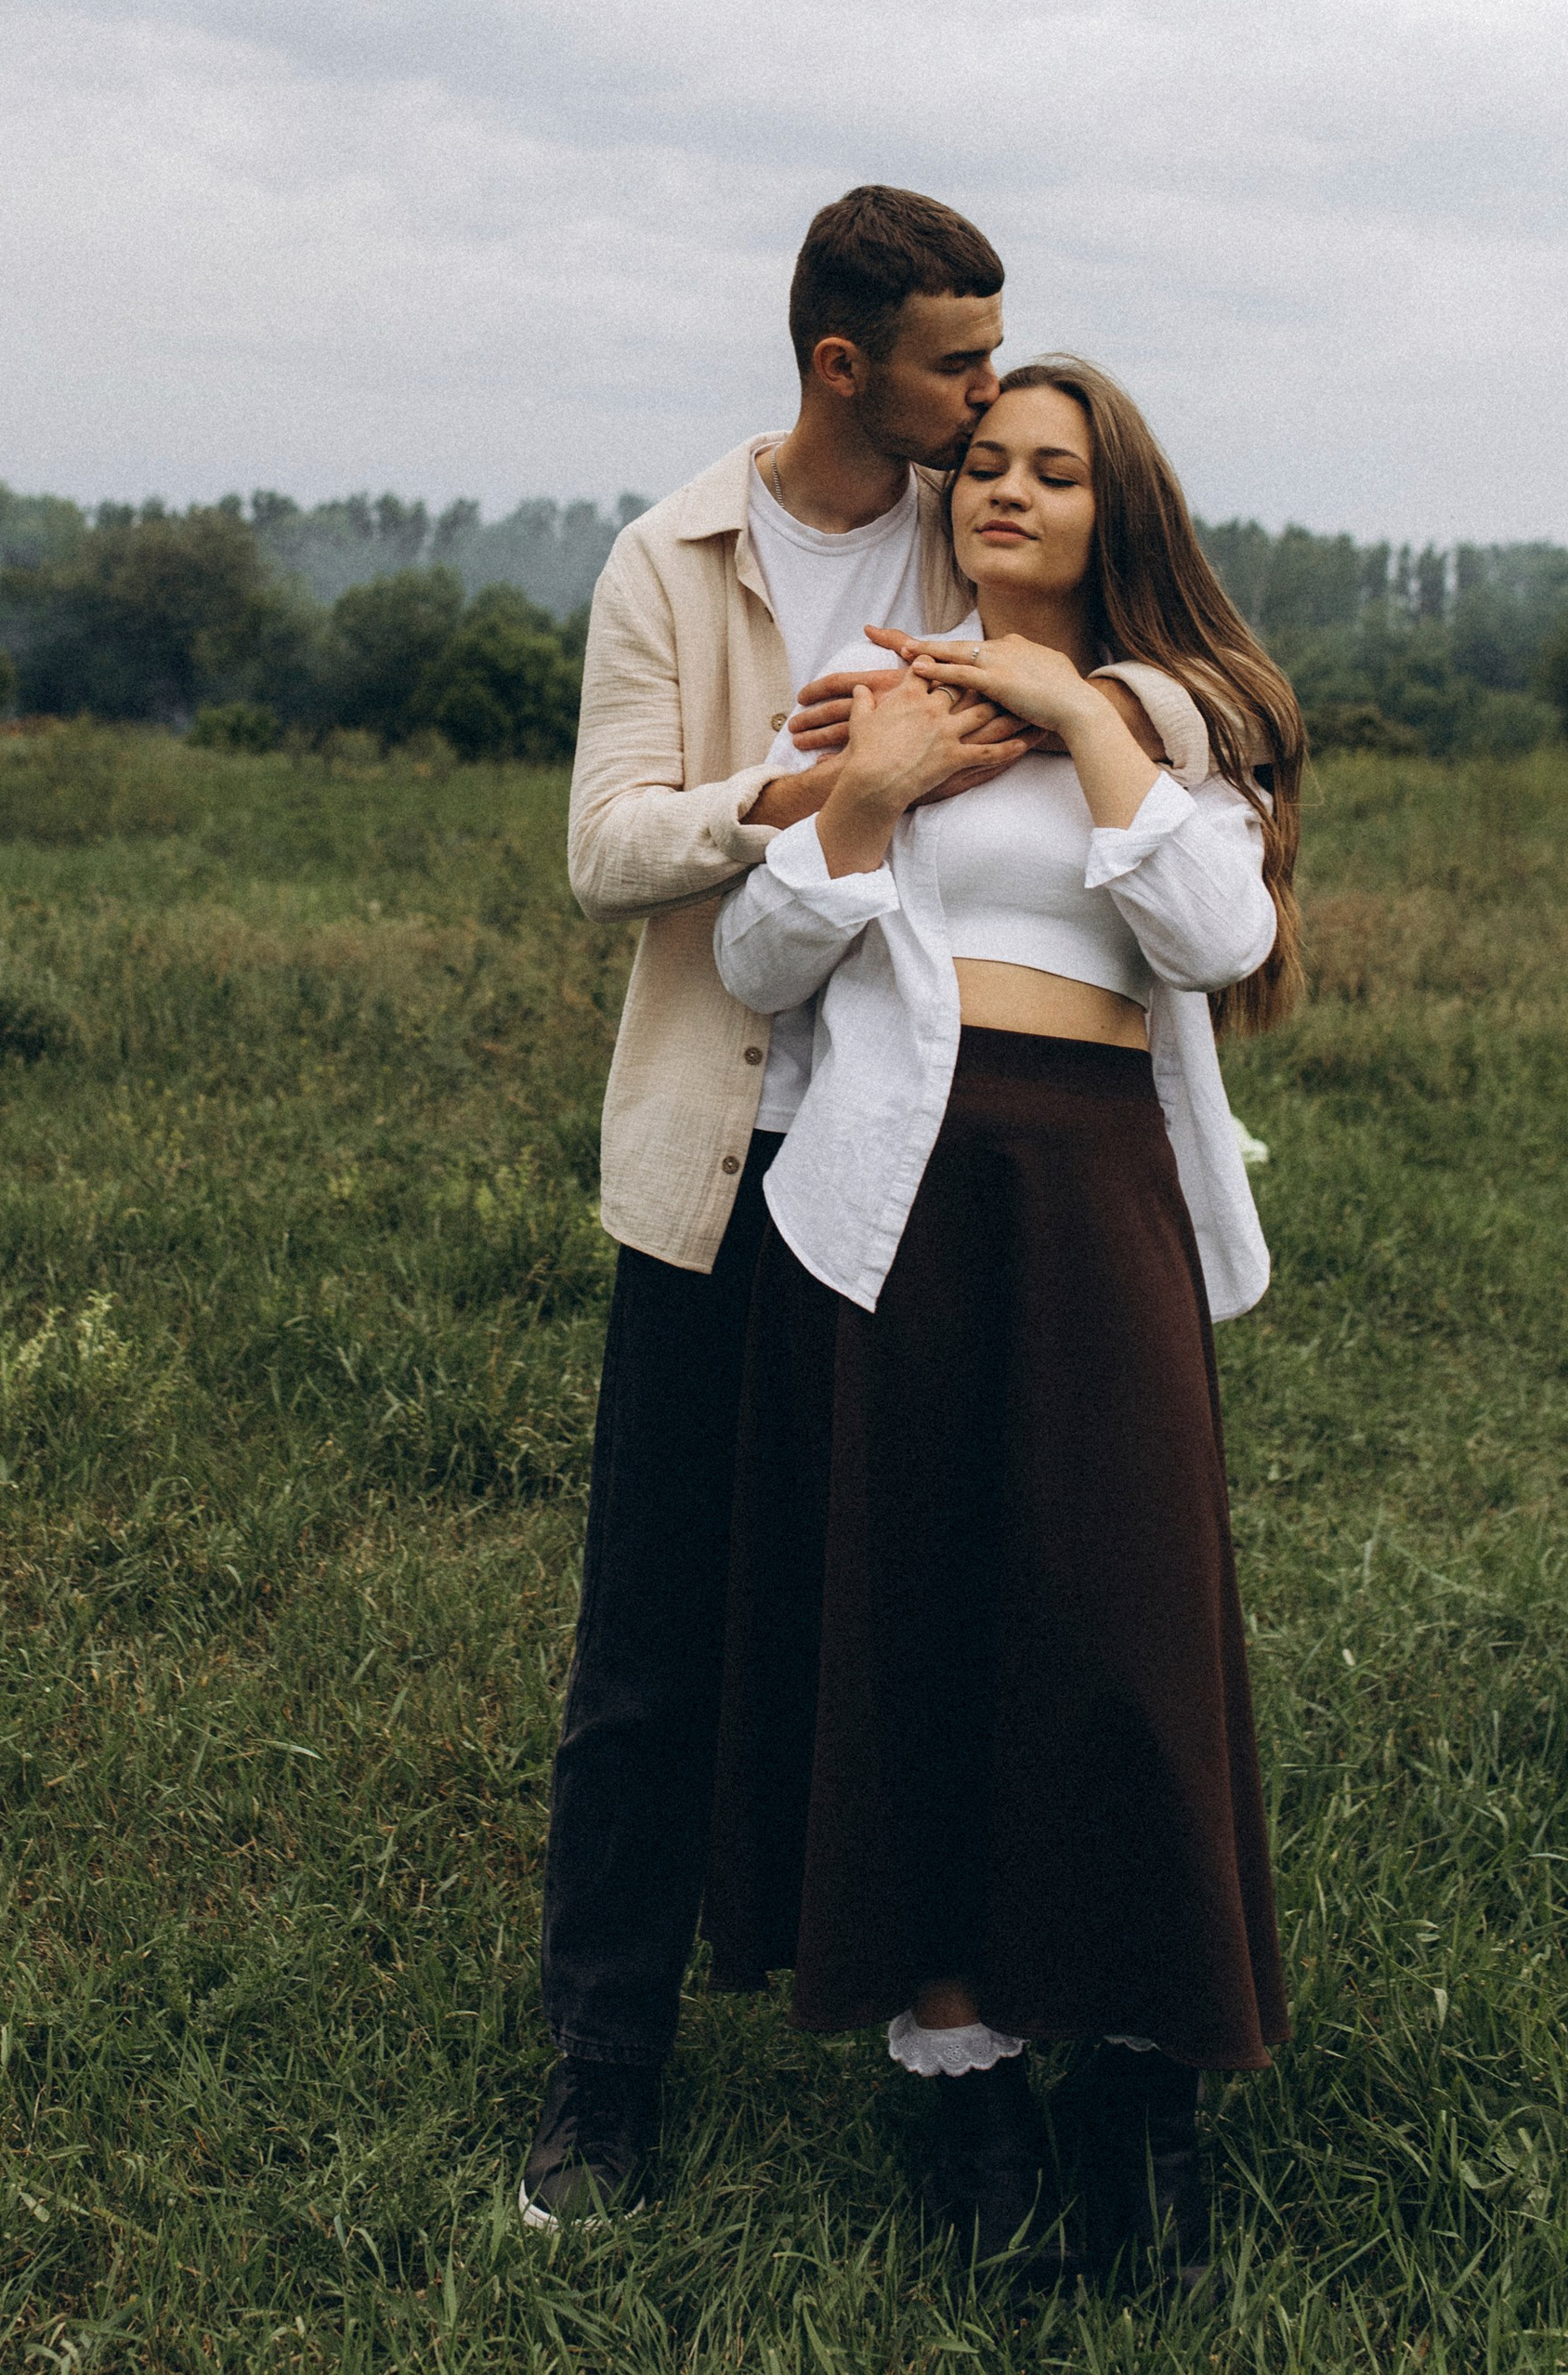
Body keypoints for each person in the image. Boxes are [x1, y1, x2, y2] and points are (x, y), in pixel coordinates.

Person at [702, 356, 1304, 2299]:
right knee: (928, 1622)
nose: (1005, 492)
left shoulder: (1182, 717)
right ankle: (964, 2084)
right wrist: (865, 793)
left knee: (1118, 1626)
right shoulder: (884, 692)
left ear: (1111, 508)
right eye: (984, 463)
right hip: (898, 1203)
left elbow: (1216, 943)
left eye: (1051, 472)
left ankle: (1141, 2089)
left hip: (1096, 1187)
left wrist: (1070, 713)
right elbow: (754, 956)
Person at [520, 184, 1019, 2227]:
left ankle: (959, 2068)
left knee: (924, 1622)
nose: (987, 399)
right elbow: (606, 852)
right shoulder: (674, 557)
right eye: (954, 365)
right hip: (717, 1174)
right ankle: (599, 2078)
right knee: (651, 1643)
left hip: (922, 1160)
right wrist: (798, 789)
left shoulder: (976, 535)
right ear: (842, 365)